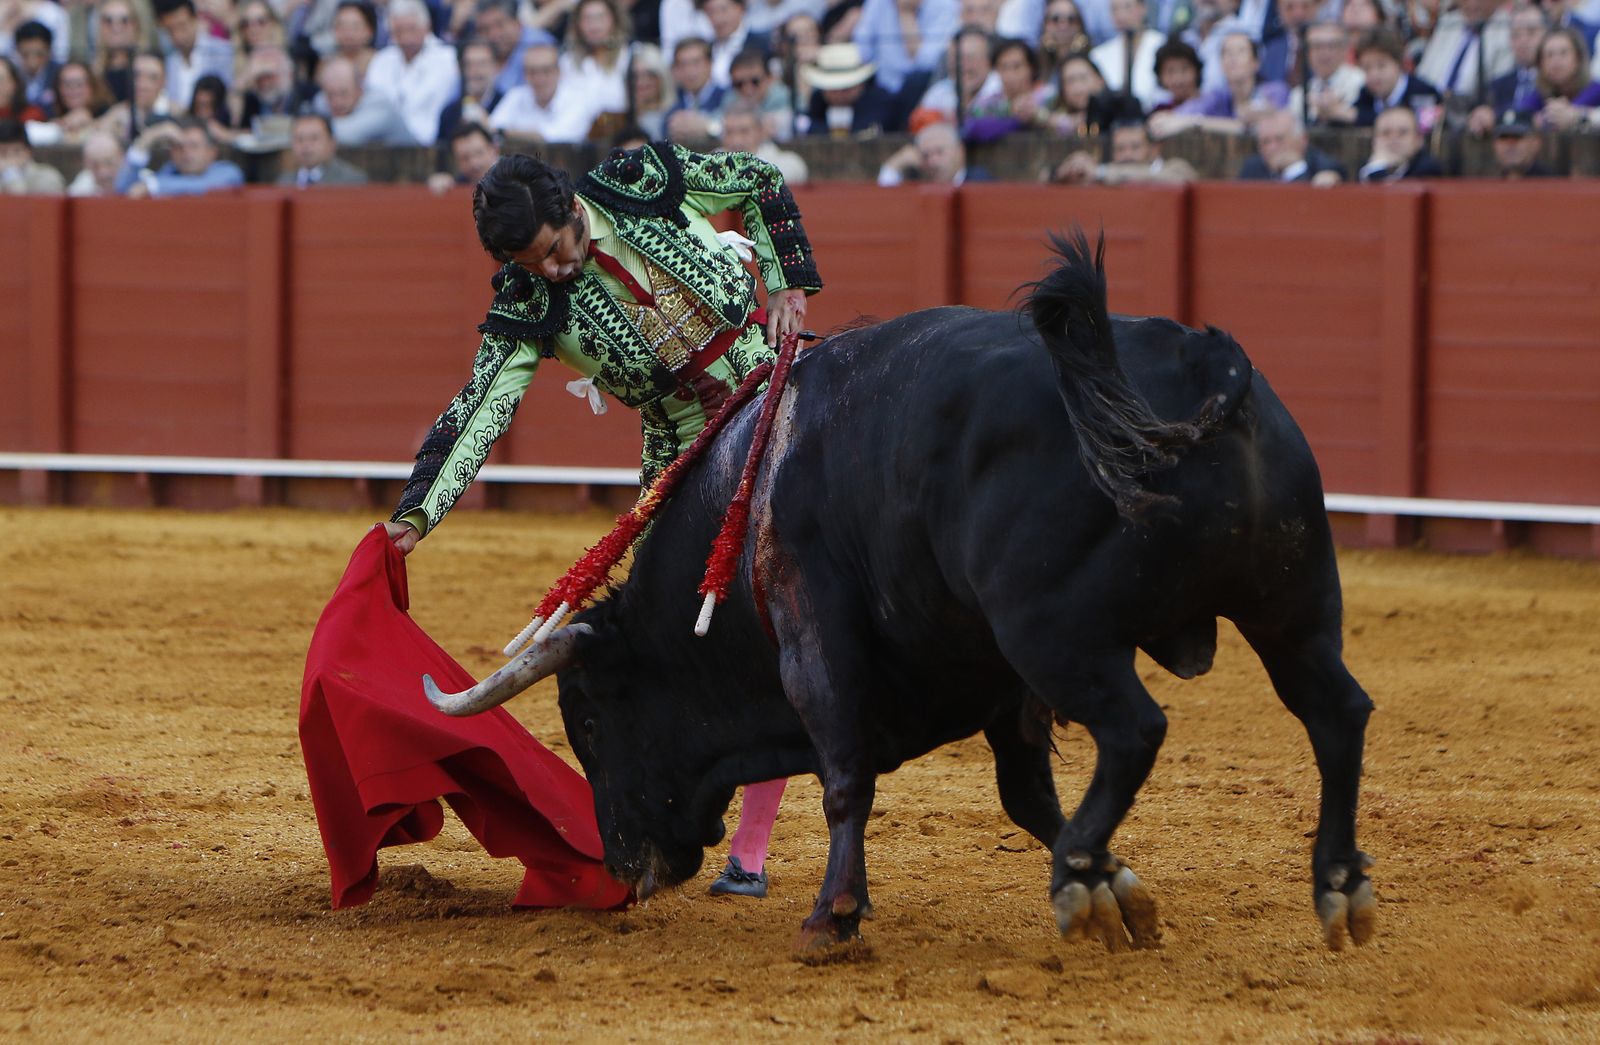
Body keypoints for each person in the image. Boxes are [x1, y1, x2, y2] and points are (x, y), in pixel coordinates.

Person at [378, 142, 823, 898]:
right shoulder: (530, 302)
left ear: (567, 208)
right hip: (684, 451)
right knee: (691, 638)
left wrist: (787, 283)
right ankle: (679, 811)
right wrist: (417, 514)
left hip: (780, 388)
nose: (551, 270)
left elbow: (758, 181)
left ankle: (749, 849)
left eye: (553, 250)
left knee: (799, 603)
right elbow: (482, 406)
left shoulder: (638, 179)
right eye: (531, 263)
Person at [363, 0, 460, 147]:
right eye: (399, 31)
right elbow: (373, 101)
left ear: (427, 27)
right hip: (382, 140)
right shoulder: (381, 60)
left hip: (427, 141)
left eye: (411, 29)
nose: (406, 37)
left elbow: (435, 101)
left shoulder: (447, 58)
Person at [488, 41, 599, 142]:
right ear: (524, 75)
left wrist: (505, 132)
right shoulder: (516, 95)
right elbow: (491, 131)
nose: (539, 79)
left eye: (546, 71)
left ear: (558, 72)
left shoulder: (579, 99)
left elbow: (553, 140)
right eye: (532, 72)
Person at [115, 115, 245, 195]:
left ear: (212, 152)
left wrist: (153, 186)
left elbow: (204, 186)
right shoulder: (168, 172)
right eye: (179, 147)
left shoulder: (228, 172)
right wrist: (146, 140)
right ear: (171, 153)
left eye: (194, 146)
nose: (186, 152)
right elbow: (123, 189)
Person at [801, 39, 905, 134]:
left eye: (845, 89)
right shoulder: (818, 101)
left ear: (860, 84)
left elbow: (865, 132)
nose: (838, 95)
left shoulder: (880, 100)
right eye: (832, 89)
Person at [1050, 116, 1199, 183]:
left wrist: (1100, 172)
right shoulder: (1103, 173)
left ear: (1154, 149)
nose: (1127, 154)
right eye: (1120, 149)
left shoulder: (1176, 168)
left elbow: (1179, 178)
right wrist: (1062, 172)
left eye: (1135, 147)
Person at [1350, 26, 1443, 125]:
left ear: (1399, 64)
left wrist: (1356, 116)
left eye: (1381, 66)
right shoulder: (1365, 95)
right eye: (1367, 68)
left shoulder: (1423, 92)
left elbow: (1418, 124)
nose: (1374, 75)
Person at [318, 55, 417, 145]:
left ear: (359, 89)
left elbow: (348, 136)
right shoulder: (321, 101)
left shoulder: (380, 104)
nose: (337, 102)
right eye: (330, 94)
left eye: (343, 93)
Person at [155, 0, 234, 112]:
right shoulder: (167, 61)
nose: (178, 35)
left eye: (182, 26)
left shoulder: (223, 52)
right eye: (170, 30)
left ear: (195, 20)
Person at [1516, 25, 1600, 128]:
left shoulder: (1596, 91)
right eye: (1549, 55)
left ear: (1578, 58)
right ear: (1540, 63)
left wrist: (1576, 115)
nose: (1556, 61)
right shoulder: (1540, 94)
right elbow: (1519, 113)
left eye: (1563, 53)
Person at [1088, 0, 1165, 112]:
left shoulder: (1162, 45)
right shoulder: (1098, 55)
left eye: (1127, 7)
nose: (1121, 15)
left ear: (1143, 8)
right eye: (1115, 9)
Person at [1236, 107, 1345, 183]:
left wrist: (1295, 168)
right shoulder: (1252, 169)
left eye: (1279, 139)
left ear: (1302, 140)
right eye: (1265, 142)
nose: (1272, 147)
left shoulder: (1325, 167)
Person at [1291, 18, 1367, 126]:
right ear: (1308, 53)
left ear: (1345, 49)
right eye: (1317, 46)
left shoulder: (1360, 82)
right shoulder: (1299, 94)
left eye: (1331, 46)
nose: (1324, 53)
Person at [876, 117, 993, 183]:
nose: (933, 162)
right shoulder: (919, 185)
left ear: (960, 152)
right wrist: (892, 167)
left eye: (940, 152)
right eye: (925, 155)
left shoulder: (981, 182)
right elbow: (884, 207)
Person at [720, 97, 808, 182]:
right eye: (729, 132)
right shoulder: (712, 162)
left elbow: (796, 170)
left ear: (760, 132)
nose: (736, 141)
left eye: (744, 132)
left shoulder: (786, 163)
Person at [276, 111, 368, 187]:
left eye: (314, 138)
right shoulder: (284, 182)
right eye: (300, 139)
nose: (306, 145)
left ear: (332, 143)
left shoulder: (351, 181)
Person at [1357, 104, 1445, 180]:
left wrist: (1377, 169)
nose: (1394, 138)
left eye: (1403, 132)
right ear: (1374, 140)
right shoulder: (1366, 166)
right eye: (1386, 133)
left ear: (1419, 139)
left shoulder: (1428, 169)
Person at [427, 119, 500, 192]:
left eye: (479, 153)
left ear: (494, 150)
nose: (474, 163)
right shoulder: (458, 184)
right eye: (465, 158)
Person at [0, 115, 63, 193]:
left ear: (28, 151)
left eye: (17, 151)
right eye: (3, 152)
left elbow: (22, 203)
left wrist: (12, 176)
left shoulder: (47, 177)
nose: (10, 157)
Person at [1489, 107, 1555, 175]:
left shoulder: (1552, 181)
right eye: (1504, 137)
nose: (1510, 143)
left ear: (1535, 142)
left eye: (1517, 136)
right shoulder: (1485, 178)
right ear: (1494, 144)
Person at [66, 129, 125, 195]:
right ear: (86, 164)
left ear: (121, 158)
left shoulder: (134, 179)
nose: (103, 173)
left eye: (109, 163)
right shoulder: (81, 188)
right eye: (95, 166)